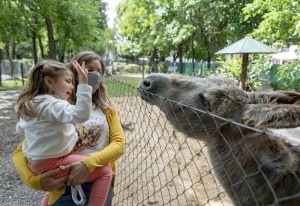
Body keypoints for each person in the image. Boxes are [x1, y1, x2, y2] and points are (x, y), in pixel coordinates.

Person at [12, 51, 125, 206]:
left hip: (98, 183)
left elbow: (119, 144)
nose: (95, 75)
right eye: (89, 70)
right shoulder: (57, 107)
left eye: (99, 71)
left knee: (105, 172)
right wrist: (35, 181)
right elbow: (21, 150)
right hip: (64, 187)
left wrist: (88, 164)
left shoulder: (107, 109)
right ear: (75, 72)